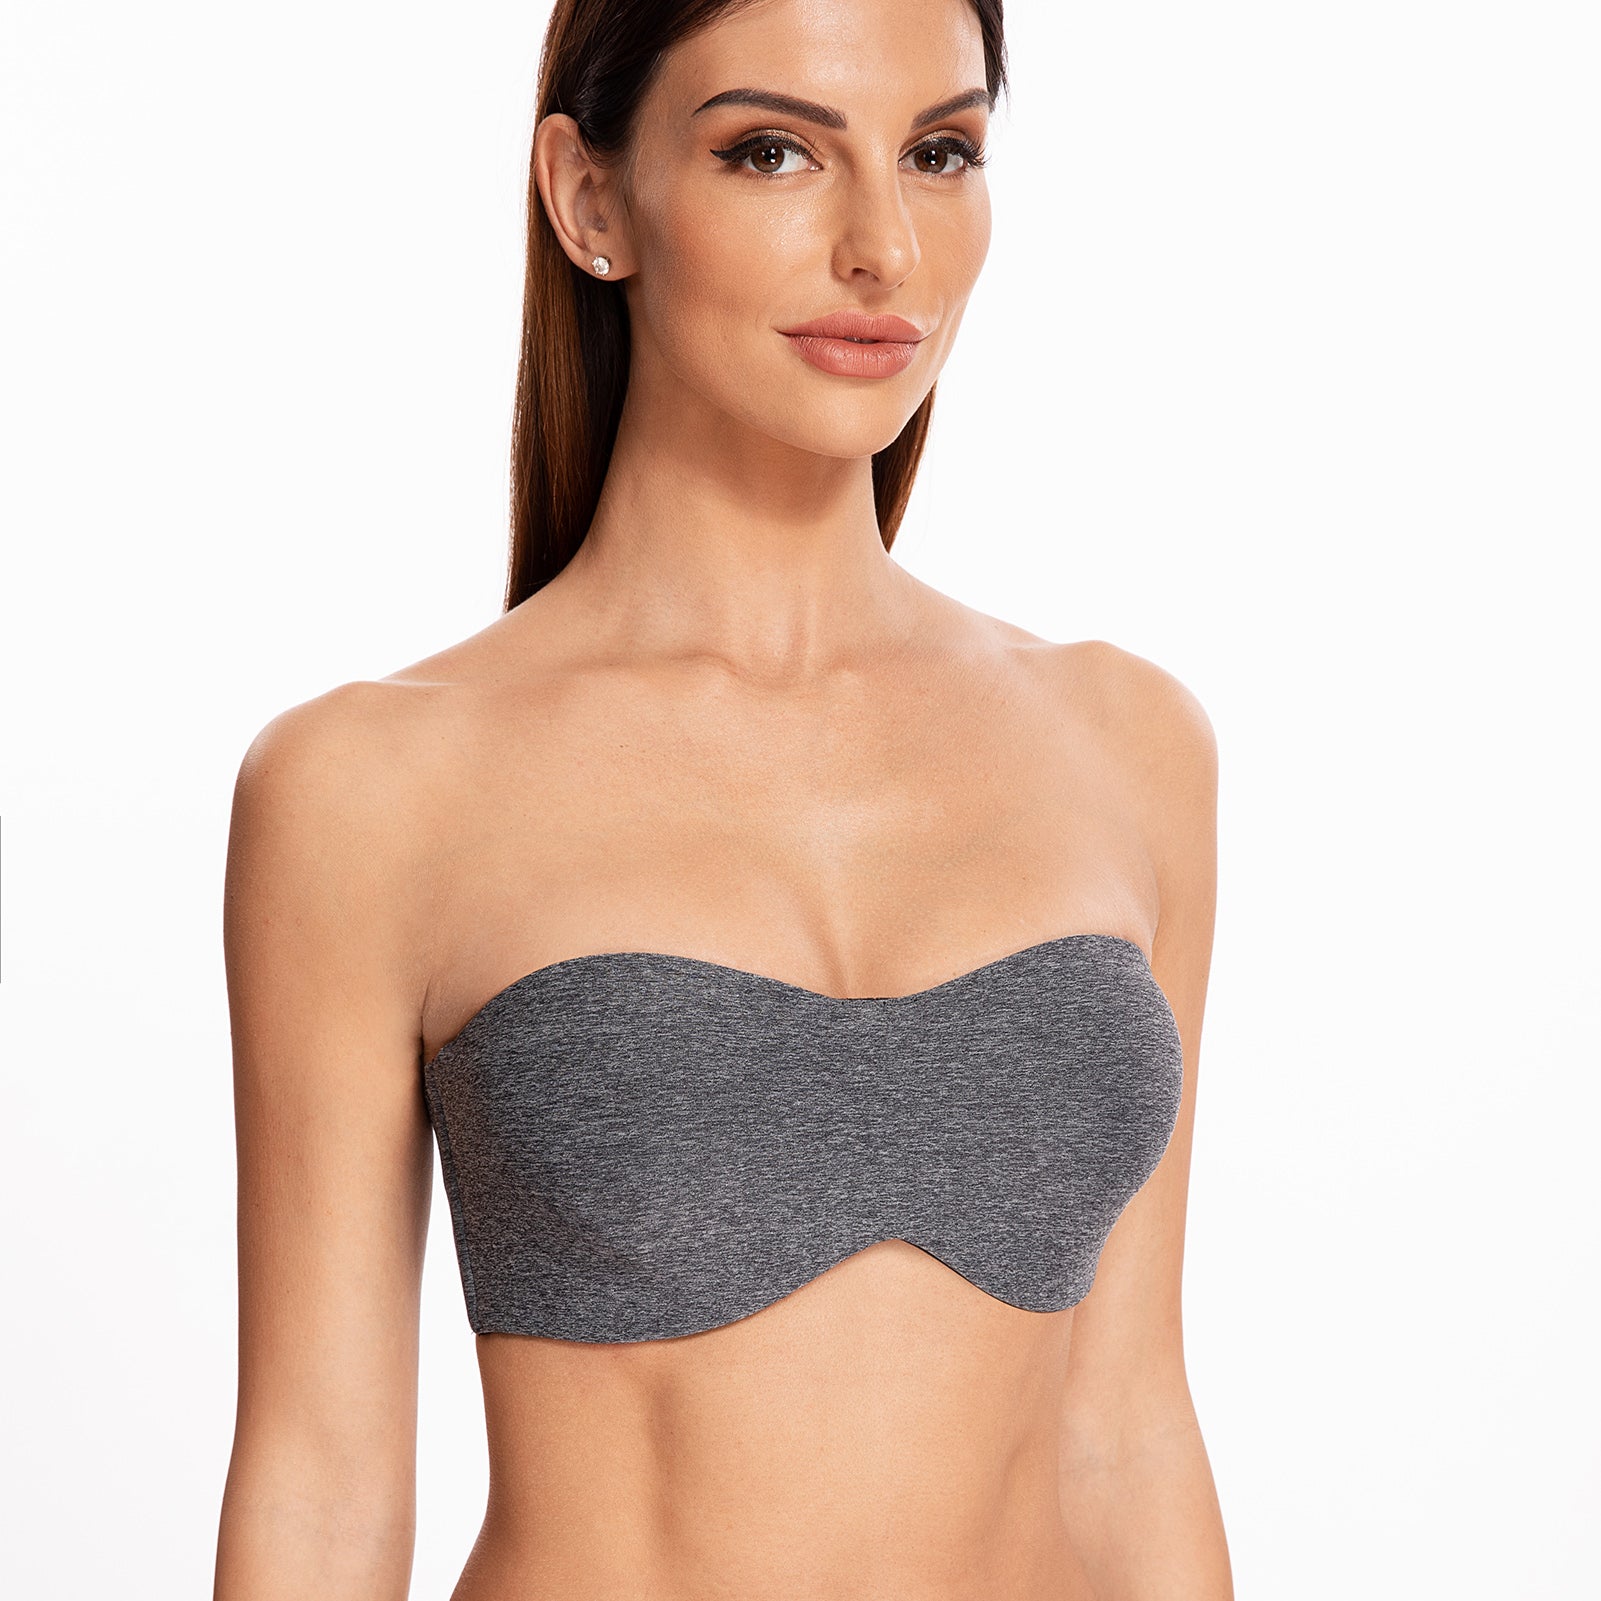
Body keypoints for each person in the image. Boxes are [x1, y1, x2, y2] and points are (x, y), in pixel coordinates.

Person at [213, 0, 1233, 1595]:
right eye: (772, 152)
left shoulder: (1127, 744)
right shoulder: (372, 786)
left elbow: (1126, 1430)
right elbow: (324, 1490)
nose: (883, 248)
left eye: (939, 152)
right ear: (590, 199)